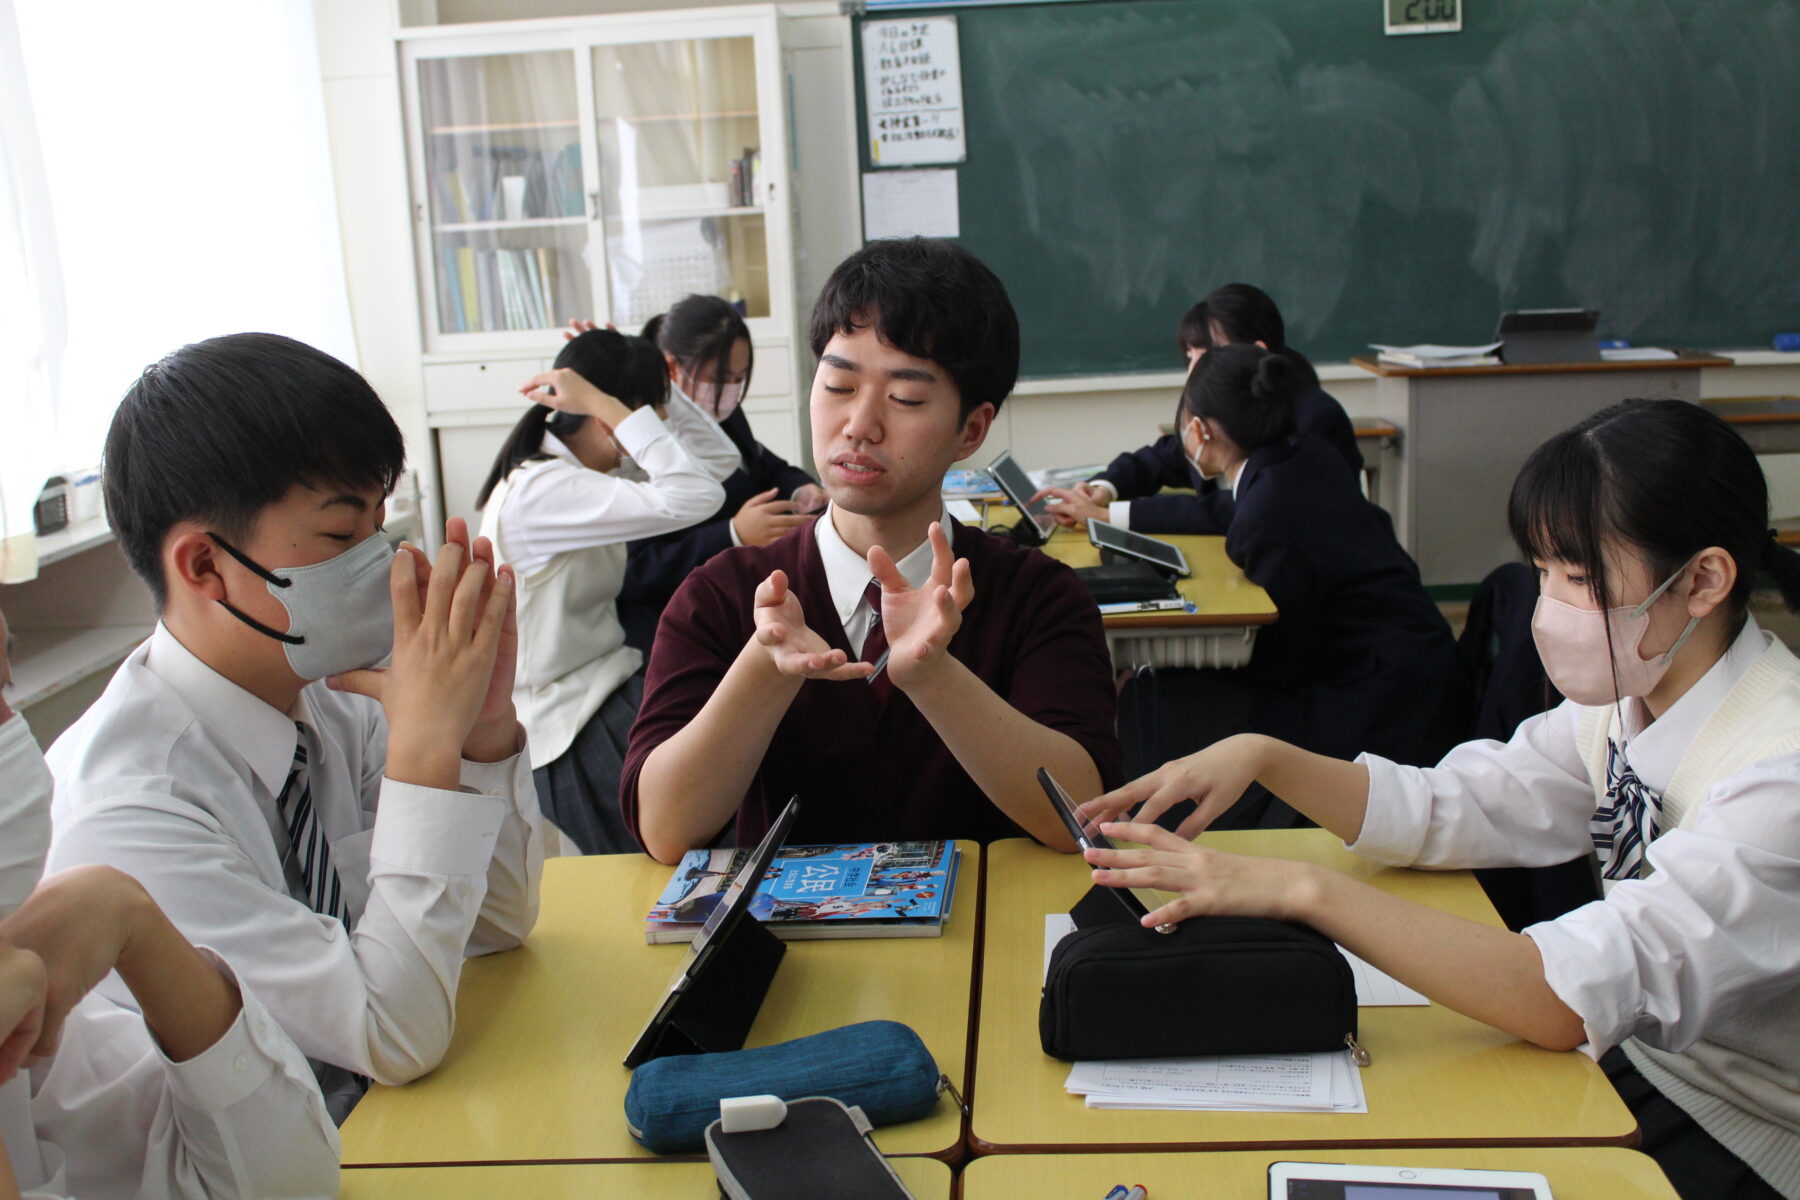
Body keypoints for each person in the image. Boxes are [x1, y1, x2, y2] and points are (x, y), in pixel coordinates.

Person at [1079, 399, 1800, 1200]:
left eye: (1578, 578)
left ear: (1703, 579)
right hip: (1635, 1059)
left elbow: (1567, 997)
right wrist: (1268, 758)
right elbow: (1460, 803)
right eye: (1542, 573)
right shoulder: (1628, 700)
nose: (1548, 605)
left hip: (1744, 1132)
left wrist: (1303, 891)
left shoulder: (1781, 771)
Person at [47, 333, 541, 1122]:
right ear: (205, 567)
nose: (383, 561)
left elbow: (498, 920)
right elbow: (389, 1036)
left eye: (382, 524)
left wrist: (478, 731)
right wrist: (422, 752)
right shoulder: (131, 808)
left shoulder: (337, 696)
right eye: (343, 536)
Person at [621, 237, 1123, 862]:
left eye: (905, 398)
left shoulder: (1038, 595)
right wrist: (763, 666)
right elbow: (666, 830)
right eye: (837, 385)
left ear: (971, 430)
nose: (859, 424)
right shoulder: (725, 593)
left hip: (986, 950)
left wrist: (934, 676)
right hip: (792, 957)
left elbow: (1079, 818)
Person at [0, 606, 339, 1198]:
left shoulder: (19, 987)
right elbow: (393, 1027)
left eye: (4, 684)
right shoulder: (128, 790)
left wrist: (127, 914)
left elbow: (289, 1181)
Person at [475, 327, 737, 854]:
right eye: (647, 417)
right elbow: (700, 493)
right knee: (682, 858)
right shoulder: (544, 490)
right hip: (569, 723)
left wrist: (654, 387)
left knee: (727, 795)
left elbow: (720, 461)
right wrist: (607, 402)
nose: (653, 433)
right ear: (604, 418)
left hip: (604, 692)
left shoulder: (575, 473)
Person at [1033, 283, 1361, 535]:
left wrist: (1110, 517)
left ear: (1255, 352)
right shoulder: (1223, 412)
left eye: (1205, 354)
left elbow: (1248, 508)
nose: (1193, 370)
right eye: (1189, 355)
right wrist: (1102, 490)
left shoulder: (1315, 419)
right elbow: (1162, 458)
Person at [617, 295, 828, 652]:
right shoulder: (638, 443)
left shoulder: (717, 411)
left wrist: (800, 487)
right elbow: (634, 570)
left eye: (739, 377)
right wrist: (732, 534)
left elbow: (760, 463)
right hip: (678, 623)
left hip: (743, 591)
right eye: (719, 378)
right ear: (671, 369)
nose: (730, 390)